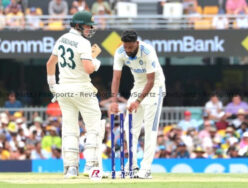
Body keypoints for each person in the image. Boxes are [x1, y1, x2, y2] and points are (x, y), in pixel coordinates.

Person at [46, 11, 102, 178]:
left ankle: (71, 168)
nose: (90, 28)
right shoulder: (83, 42)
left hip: (63, 89)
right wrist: (96, 62)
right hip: (82, 89)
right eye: (87, 25)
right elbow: (88, 68)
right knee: (93, 127)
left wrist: (52, 86)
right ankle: (91, 167)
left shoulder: (62, 39)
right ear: (78, 25)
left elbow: (50, 63)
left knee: (70, 128)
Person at [110, 30, 166, 179]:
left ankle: (146, 168)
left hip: (155, 87)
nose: (128, 50)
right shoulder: (120, 52)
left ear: (137, 43)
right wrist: (114, 101)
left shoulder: (147, 51)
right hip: (138, 86)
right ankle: (132, 165)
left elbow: (151, 81)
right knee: (130, 129)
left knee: (150, 129)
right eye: (125, 47)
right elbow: (116, 78)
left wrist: (138, 101)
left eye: (130, 47)